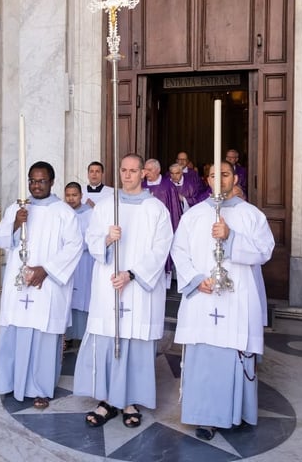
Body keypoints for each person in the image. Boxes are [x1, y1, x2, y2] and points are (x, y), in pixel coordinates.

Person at [171, 161, 275, 441]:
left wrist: (231, 238)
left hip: (237, 299)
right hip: (202, 298)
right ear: (207, 179)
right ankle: (202, 415)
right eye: (215, 175)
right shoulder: (193, 215)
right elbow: (179, 250)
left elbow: (264, 251)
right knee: (203, 355)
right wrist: (194, 279)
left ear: (235, 177)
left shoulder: (251, 215)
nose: (220, 179)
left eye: (225, 174)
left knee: (232, 353)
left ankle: (235, 412)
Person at [73, 153, 173, 429]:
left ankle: (131, 400)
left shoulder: (156, 209)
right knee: (107, 339)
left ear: (143, 173)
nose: (127, 175)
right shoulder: (106, 206)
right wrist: (106, 238)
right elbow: (91, 238)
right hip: (108, 283)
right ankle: (106, 399)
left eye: (133, 170)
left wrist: (131, 274)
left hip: (138, 288)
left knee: (134, 342)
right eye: (123, 170)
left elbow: (161, 248)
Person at [0, 161, 83, 409]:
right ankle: (10, 382)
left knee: (43, 336)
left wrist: (45, 270)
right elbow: (0, 238)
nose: (36, 185)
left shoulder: (63, 212)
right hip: (18, 283)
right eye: (32, 180)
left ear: (52, 182)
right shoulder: (18, 208)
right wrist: (15, 224)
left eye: (41, 181)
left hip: (48, 285)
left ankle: (40, 388)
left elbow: (74, 247)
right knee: (15, 331)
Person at [141, 158, 182, 288]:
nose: (146, 172)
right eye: (145, 169)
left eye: (150, 170)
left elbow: (175, 209)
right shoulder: (140, 186)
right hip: (144, 228)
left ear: (158, 170)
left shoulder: (168, 186)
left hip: (163, 229)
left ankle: (164, 286)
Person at [63, 182, 93, 350]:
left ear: (81, 195)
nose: (71, 198)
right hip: (67, 263)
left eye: (74, 195)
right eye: (68, 195)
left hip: (84, 261)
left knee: (83, 298)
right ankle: (66, 336)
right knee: (67, 298)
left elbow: (93, 236)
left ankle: (83, 336)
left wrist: (77, 245)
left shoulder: (90, 214)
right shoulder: (61, 213)